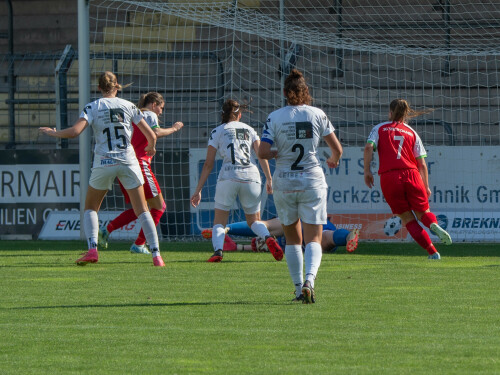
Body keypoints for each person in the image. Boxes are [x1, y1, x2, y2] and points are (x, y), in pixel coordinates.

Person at [39, 71, 165, 267]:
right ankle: (156, 256)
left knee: (90, 207)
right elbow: (152, 134)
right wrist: (151, 146)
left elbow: (74, 132)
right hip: (128, 161)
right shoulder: (129, 106)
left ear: (98, 88)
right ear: (117, 86)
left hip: (104, 162)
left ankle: (92, 250)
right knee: (142, 209)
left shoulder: (92, 107)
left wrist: (54, 133)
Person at [258, 69, 343, 304]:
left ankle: (297, 290)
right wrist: (333, 159)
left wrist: (278, 153)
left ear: (285, 93)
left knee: (293, 240)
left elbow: (262, 151)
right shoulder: (317, 114)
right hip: (311, 180)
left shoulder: (274, 117)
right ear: (307, 92)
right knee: (313, 239)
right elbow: (337, 149)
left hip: (285, 180)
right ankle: (310, 281)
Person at [190, 99, 283, 263]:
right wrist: (269, 178)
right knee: (254, 221)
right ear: (239, 115)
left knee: (219, 222)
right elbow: (261, 155)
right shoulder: (250, 130)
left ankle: (218, 252)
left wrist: (198, 190)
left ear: (223, 115)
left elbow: (208, 164)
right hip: (251, 176)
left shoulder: (218, 131)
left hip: (228, 176)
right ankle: (268, 238)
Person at [363, 98, 452, 259]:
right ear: (405, 115)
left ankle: (433, 253)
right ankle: (433, 224)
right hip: (412, 174)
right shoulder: (412, 132)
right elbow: (422, 164)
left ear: (390, 113)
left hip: (390, 176)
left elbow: (369, 147)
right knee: (423, 212)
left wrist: (367, 171)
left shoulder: (380, 128)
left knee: (407, 218)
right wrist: (426, 186)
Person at [97, 92, 184, 254]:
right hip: (140, 165)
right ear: (153, 105)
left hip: (124, 165)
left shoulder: (132, 114)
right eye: (161, 108)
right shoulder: (148, 114)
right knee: (159, 207)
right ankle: (138, 244)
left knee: (141, 208)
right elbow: (156, 133)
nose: (161, 112)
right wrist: (174, 128)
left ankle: (106, 230)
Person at [201, 217, 360, 253]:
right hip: (309, 236)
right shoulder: (273, 244)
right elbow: (260, 246)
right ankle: (347, 236)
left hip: (308, 225)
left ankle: (225, 228)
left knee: (269, 226)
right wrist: (238, 247)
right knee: (325, 240)